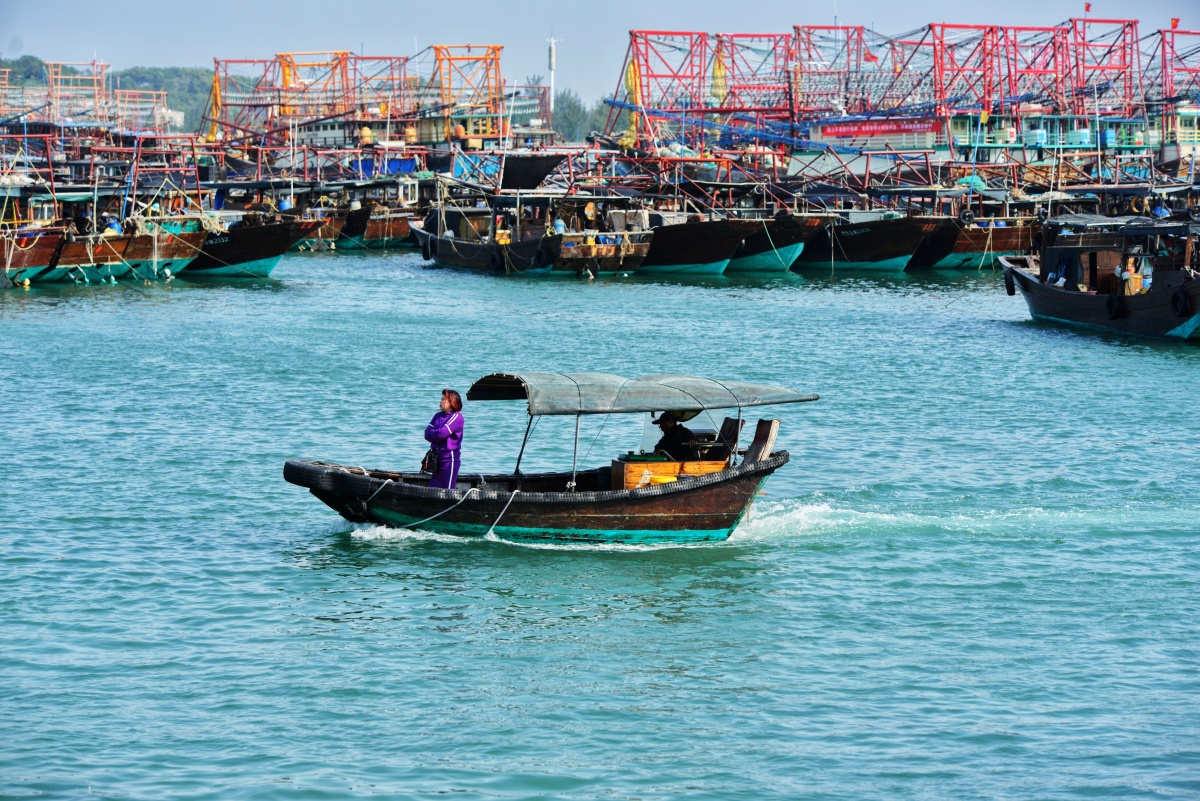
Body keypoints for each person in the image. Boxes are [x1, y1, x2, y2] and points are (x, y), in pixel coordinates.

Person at [424, 389, 464, 489]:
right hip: (436, 459)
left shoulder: (457, 417)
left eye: (443, 399)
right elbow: (426, 434)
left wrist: (435, 434)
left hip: (449, 460)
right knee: (432, 489)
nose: (440, 401)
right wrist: (437, 435)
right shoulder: (437, 416)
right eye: (441, 399)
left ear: (452, 402)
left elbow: (441, 434)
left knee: (448, 490)